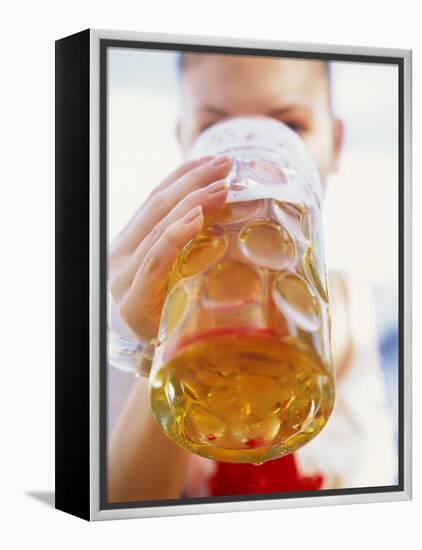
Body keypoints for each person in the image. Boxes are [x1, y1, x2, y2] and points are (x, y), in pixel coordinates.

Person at [107, 53, 397, 502]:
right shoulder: (130, 324)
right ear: (184, 142)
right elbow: (118, 507)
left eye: (291, 127)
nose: (251, 161)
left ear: (335, 143)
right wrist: (146, 348)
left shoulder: (377, 316)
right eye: (211, 128)